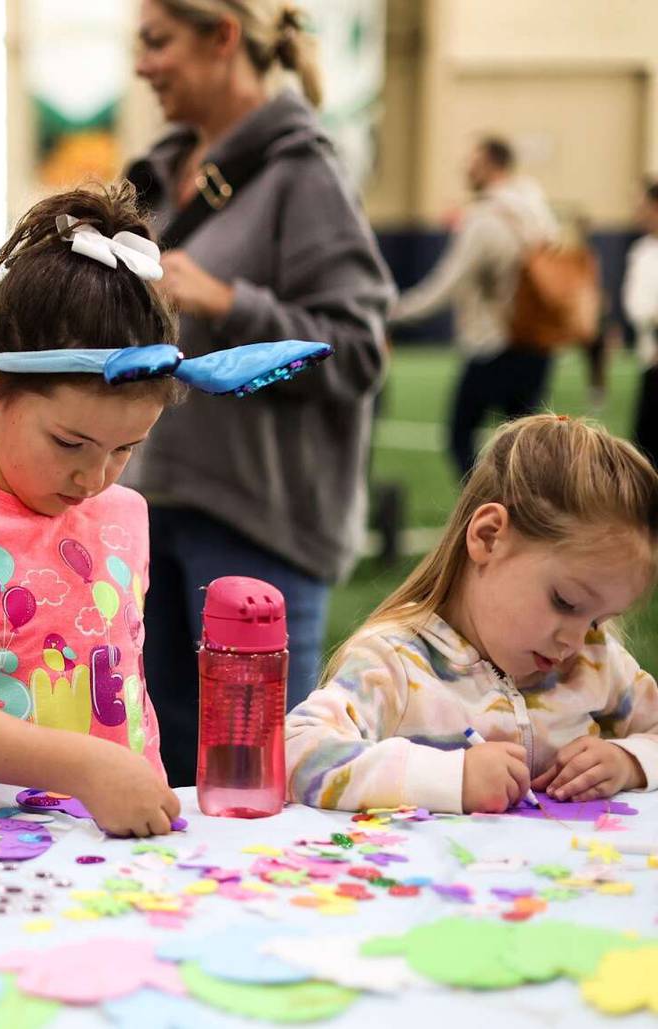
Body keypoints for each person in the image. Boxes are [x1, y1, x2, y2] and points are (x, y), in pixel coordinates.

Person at [0, 183, 330, 836]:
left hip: (115, 843)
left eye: (125, 448)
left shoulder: (128, 512)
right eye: (70, 443)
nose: (94, 477)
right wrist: (84, 767)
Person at [126, 0, 393, 785]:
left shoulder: (303, 173)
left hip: (258, 526)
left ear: (223, 38)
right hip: (148, 513)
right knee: (156, 787)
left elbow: (357, 351)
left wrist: (224, 300)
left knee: (253, 791)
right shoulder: (156, 176)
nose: (142, 65)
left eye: (158, 42)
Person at [287, 415, 658, 813]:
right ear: (488, 537)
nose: (576, 640)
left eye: (598, 620)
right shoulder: (395, 663)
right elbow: (296, 752)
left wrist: (629, 761)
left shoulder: (596, 663)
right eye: (565, 602)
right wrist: (451, 777)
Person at [391, 136, 560, 478]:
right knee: (525, 447)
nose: (466, 169)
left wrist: (394, 312)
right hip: (539, 341)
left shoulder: (485, 217)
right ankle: (525, 507)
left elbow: (446, 284)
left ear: (491, 165)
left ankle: (486, 501)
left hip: (494, 345)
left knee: (459, 435)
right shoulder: (538, 207)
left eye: (473, 162)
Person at [626, 180, 658, 461]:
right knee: (643, 451)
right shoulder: (643, 250)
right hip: (650, 359)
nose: (637, 211)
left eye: (642, 205)